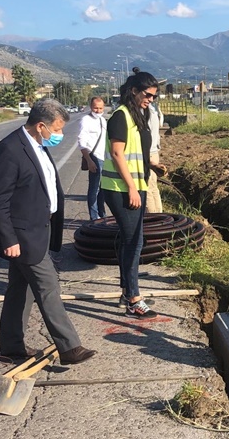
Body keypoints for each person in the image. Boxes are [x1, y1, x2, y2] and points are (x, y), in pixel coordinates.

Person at [0, 99, 97, 365]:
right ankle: (69, 348)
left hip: (40, 228)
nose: (58, 135)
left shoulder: (37, 145)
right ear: (40, 126)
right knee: (48, 286)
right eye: (56, 130)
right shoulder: (9, 150)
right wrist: (8, 239)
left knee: (19, 290)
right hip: (23, 235)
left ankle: (10, 347)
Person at [101, 71, 160, 319]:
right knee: (133, 241)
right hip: (121, 189)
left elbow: (139, 151)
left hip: (137, 185)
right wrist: (132, 188)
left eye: (153, 96)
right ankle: (134, 299)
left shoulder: (139, 115)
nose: (150, 100)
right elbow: (117, 154)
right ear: (134, 91)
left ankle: (128, 291)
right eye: (147, 95)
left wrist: (153, 167)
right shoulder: (120, 116)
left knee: (132, 240)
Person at [131, 68, 166, 214]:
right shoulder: (155, 111)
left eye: (152, 96)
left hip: (149, 153)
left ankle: (154, 218)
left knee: (149, 188)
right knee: (153, 187)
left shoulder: (146, 112)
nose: (151, 99)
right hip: (153, 151)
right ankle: (159, 216)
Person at [77, 97, 107, 220]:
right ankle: (94, 218)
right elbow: (81, 141)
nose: (98, 110)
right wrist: (89, 160)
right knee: (94, 189)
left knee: (103, 189)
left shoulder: (103, 120)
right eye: (96, 108)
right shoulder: (86, 120)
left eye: (100, 108)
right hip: (94, 157)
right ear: (90, 106)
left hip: (104, 157)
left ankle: (102, 215)